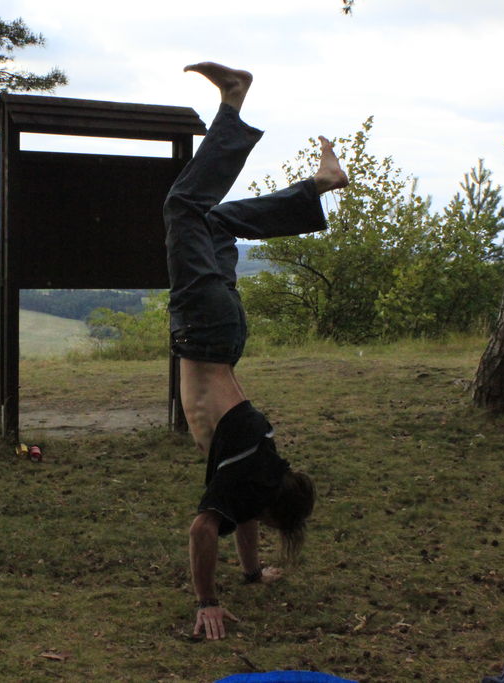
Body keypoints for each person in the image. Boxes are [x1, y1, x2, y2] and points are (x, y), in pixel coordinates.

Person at [164, 62, 349, 641]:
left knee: (214, 221)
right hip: (207, 332)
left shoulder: (265, 467)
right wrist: (207, 601)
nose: (257, 525)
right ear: (273, 509)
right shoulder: (248, 478)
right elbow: (202, 530)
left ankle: (317, 188)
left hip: (226, 336)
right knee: (183, 208)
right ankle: (234, 102)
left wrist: (250, 573)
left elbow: (241, 518)